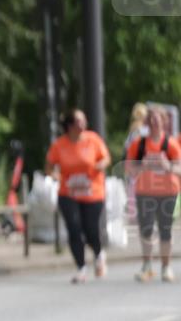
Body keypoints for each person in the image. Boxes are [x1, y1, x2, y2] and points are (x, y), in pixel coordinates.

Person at [45, 109, 112, 283]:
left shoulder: (93, 140)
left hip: (92, 192)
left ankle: (99, 254)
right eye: (78, 121)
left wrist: (98, 166)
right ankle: (81, 268)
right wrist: (56, 176)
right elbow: (49, 167)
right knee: (74, 228)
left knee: (90, 229)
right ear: (69, 126)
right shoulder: (59, 145)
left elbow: (106, 159)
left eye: (84, 121)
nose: (82, 125)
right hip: (69, 193)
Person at [126, 105, 181, 282]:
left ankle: (166, 267)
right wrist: (144, 165)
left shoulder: (171, 144)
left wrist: (168, 166)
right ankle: (147, 266)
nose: (154, 122)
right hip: (145, 192)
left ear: (164, 121)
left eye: (157, 119)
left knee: (166, 230)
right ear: (147, 122)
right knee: (146, 230)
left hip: (169, 192)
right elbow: (128, 168)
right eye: (151, 119)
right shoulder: (139, 144)